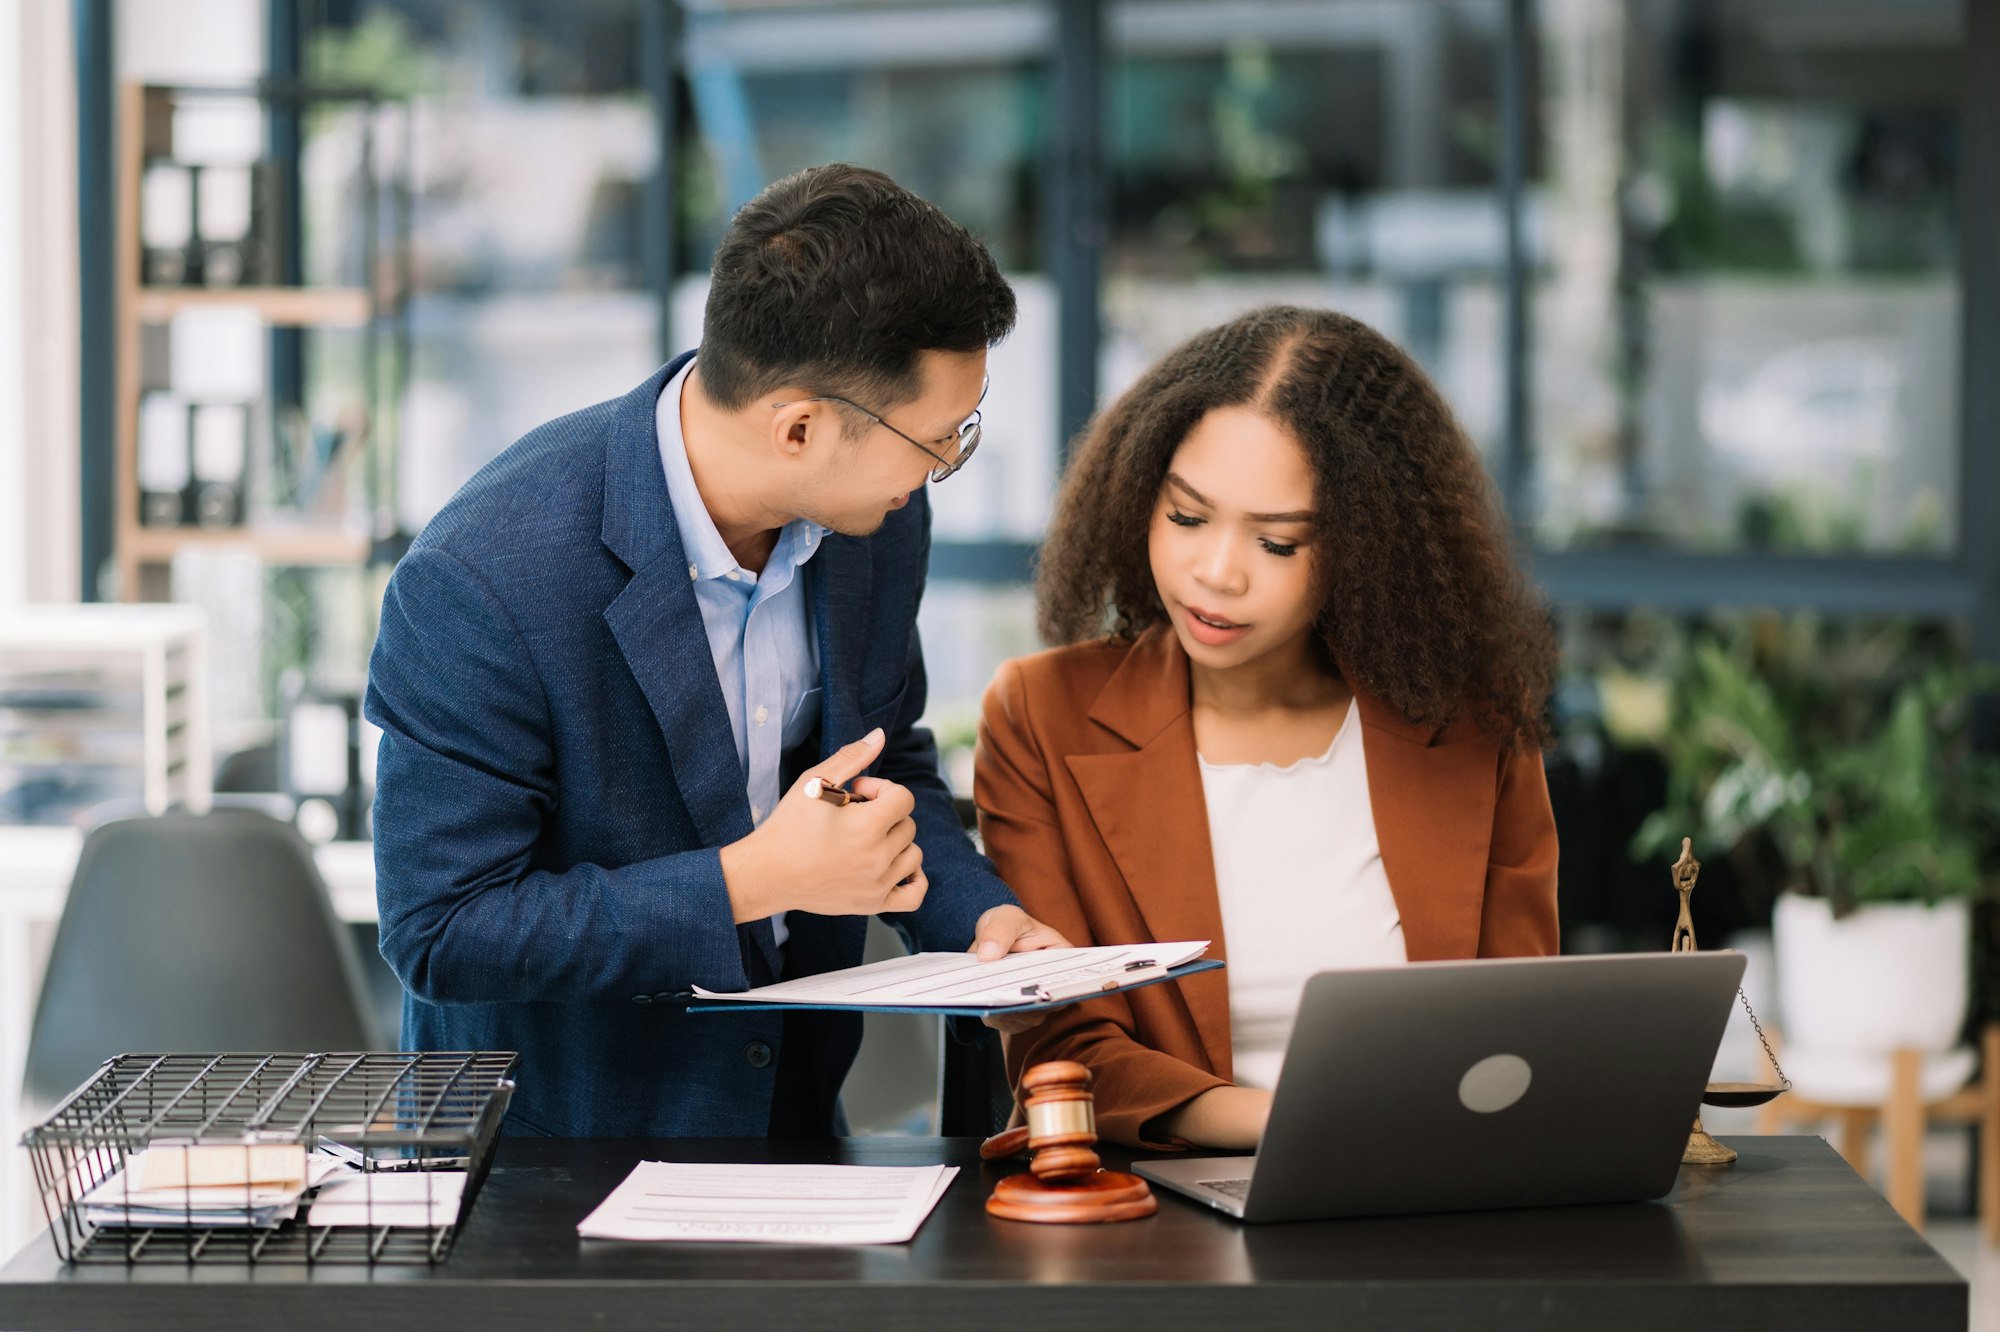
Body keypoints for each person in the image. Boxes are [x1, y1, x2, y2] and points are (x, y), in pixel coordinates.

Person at [367, 164, 1066, 1140]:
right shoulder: (483, 577)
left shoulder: (873, 517)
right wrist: (755, 881)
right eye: (939, 438)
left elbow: (881, 755)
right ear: (798, 427)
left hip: (794, 1137)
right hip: (552, 1168)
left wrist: (979, 920)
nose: (944, 464)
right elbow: (442, 930)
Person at [975, 305, 1559, 1151]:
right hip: (1162, 1229)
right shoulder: (1041, 715)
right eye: (1185, 517)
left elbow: (1526, 1031)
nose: (1216, 573)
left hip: (1434, 1213)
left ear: (1370, 551)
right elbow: (1066, 1055)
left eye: (1280, 544)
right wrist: (1314, 1129)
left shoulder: (1474, 724)